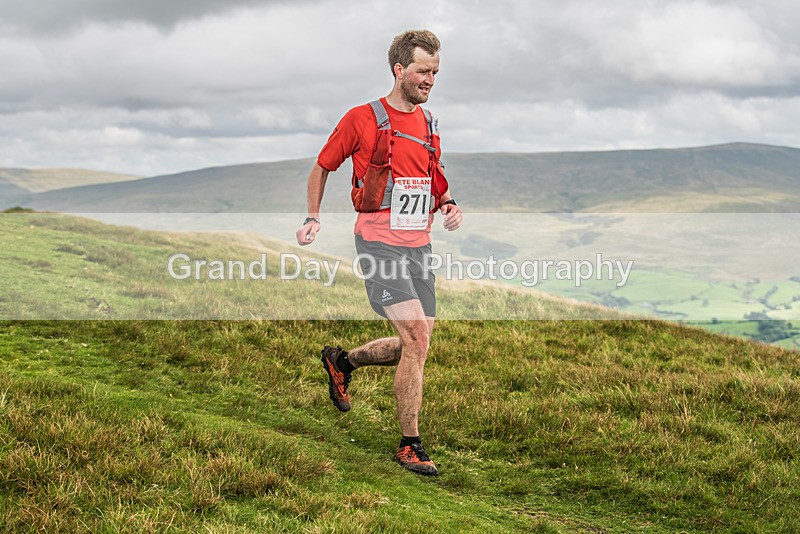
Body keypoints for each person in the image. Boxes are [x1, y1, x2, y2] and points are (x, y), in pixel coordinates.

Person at [295, 29, 462, 476]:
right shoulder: (362, 117)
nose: (431, 80)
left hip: (419, 244)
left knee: (415, 347)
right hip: (377, 241)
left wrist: (446, 202)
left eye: (436, 73)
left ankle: (342, 362)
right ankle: (410, 444)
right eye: (424, 71)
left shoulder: (430, 123)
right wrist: (313, 217)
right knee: (417, 339)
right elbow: (322, 166)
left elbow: (430, 173)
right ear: (399, 69)